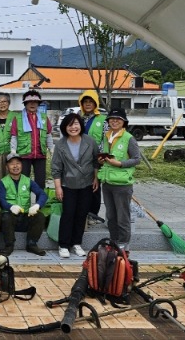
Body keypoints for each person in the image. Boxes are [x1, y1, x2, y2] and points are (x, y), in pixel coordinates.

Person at [51, 113, 100, 259]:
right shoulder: (60, 144)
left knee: (81, 214)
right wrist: (58, 187)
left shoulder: (90, 141)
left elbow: (96, 161)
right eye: (70, 125)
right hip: (68, 184)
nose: (73, 127)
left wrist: (96, 178)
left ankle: (77, 243)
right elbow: (56, 168)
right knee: (68, 214)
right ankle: (63, 245)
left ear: (81, 125)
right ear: (65, 127)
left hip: (86, 183)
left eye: (76, 124)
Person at [97, 108, 141, 251]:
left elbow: (136, 159)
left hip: (122, 184)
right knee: (110, 215)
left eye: (118, 119)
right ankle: (114, 241)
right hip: (107, 181)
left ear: (124, 122)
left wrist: (120, 164)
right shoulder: (106, 136)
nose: (114, 121)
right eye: (111, 119)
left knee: (123, 217)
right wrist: (101, 159)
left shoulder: (129, 138)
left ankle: (123, 244)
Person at [0, 153, 48, 256]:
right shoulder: (3, 182)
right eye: (12, 164)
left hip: (25, 216)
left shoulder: (28, 180)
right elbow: (1, 200)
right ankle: (9, 245)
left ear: (22, 165)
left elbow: (42, 194)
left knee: (40, 216)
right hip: (10, 218)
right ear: (7, 167)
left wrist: (37, 205)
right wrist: (10, 207)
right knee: (6, 217)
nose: (15, 166)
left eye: (18, 163)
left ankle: (31, 244)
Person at [10, 89, 53, 187]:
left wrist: (51, 149)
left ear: (38, 104)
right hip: (24, 155)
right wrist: (13, 151)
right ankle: (24, 202)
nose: (32, 104)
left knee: (41, 181)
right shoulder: (18, 118)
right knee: (23, 182)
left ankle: (40, 202)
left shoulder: (43, 117)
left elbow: (48, 135)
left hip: (40, 155)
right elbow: (14, 136)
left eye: (35, 102)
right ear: (25, 104)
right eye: (29, 102)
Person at [79, 90, 108, 225]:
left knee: (95, 186)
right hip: (79, 158)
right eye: (85, 102)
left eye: (91, 102)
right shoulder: (78, 118)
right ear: (82, 104)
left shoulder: (102, 119)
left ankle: (93, 214)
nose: (88, 104)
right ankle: (82, 212)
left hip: (95, 158)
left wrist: (100, 155)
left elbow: (105, 139)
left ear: (95, 103)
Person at [0, 92, 17, 184]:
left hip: (11, 151)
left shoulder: (15, 116)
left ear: (9, 103)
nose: (2, 104)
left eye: (5, 101)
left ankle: (11, 196)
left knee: (11, 175)